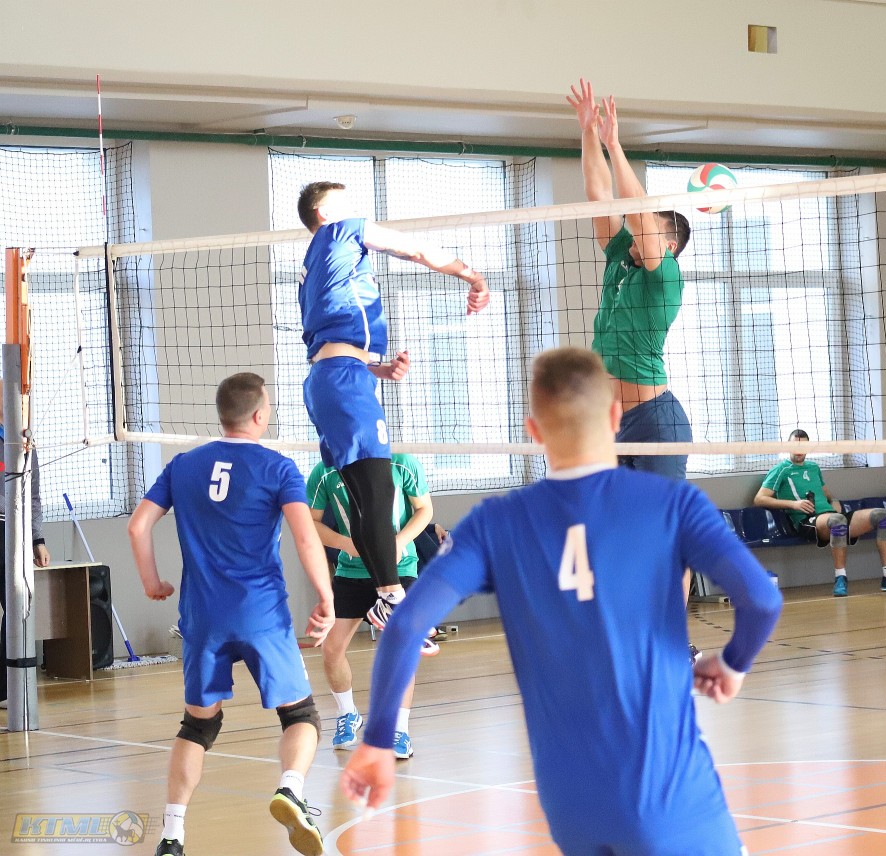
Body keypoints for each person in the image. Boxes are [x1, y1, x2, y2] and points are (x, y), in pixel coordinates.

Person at [341, 347, 783, 856]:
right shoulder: (673, 504)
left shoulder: (495, 523)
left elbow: (404, 625)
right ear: (616, 417)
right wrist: (732, 663)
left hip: (570, 808)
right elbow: (761, 599)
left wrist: (377, 741)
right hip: (671, 800)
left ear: (534, 430)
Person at [128, 373, 334, 856]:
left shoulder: (183, 465)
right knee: (301, 714)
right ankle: (290, 790)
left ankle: (172, 836)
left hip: (202, 616)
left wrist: (152, 583)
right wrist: (326, 596)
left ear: (222, 414)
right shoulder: (278, 468)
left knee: (198, 726)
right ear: (260, 415)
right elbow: (306, 537)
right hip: (261, 612)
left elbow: (138, 527)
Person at [296, 181, 488, 641]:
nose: (354, 209)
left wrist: (378, 370)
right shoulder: (342, 231)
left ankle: (386, 599)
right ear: (323, 213)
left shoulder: (314, 267)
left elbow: (326, 343)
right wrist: (472, 277)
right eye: (342, 203)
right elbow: (417, 251)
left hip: (337, 378)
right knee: (378, 492)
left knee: (367, 498)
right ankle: (392, 598)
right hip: (343, 383)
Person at [566, 78, 693, 481]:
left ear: (667, 245)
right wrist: (589, 132)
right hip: (611, 424)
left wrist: (615, 145)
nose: (637, 232)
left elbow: (638, 212)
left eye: (649, 229)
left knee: (658, 517)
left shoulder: (665, 277)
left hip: (655, 422)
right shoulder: (621, 256)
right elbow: (599, 195)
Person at [306, 452, 432, 759]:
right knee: (331, 649)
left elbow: (424, 509)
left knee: (401, 648)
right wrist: (345, 544)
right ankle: (347, 713)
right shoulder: (325, 471)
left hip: (399, 570)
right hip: (351, 572)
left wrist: (398, 542)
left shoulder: (402, 463)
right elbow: (312, 522)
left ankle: (399, 729)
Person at [754, 429, 886, 598]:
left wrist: (834, 501)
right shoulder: (781, 470)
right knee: (838, 521)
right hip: (807, 521)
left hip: (831, 515)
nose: (799, 450)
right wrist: (794, 504)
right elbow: (759, 499)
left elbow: (827, 494)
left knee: (882, 515)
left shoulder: (813, 468)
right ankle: (840, 578)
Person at [0, 391, 50, 711]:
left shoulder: (26, 443)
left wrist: (37, 539)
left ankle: (7, 689)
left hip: (14, 534)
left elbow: (33, 495)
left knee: (17, 608)